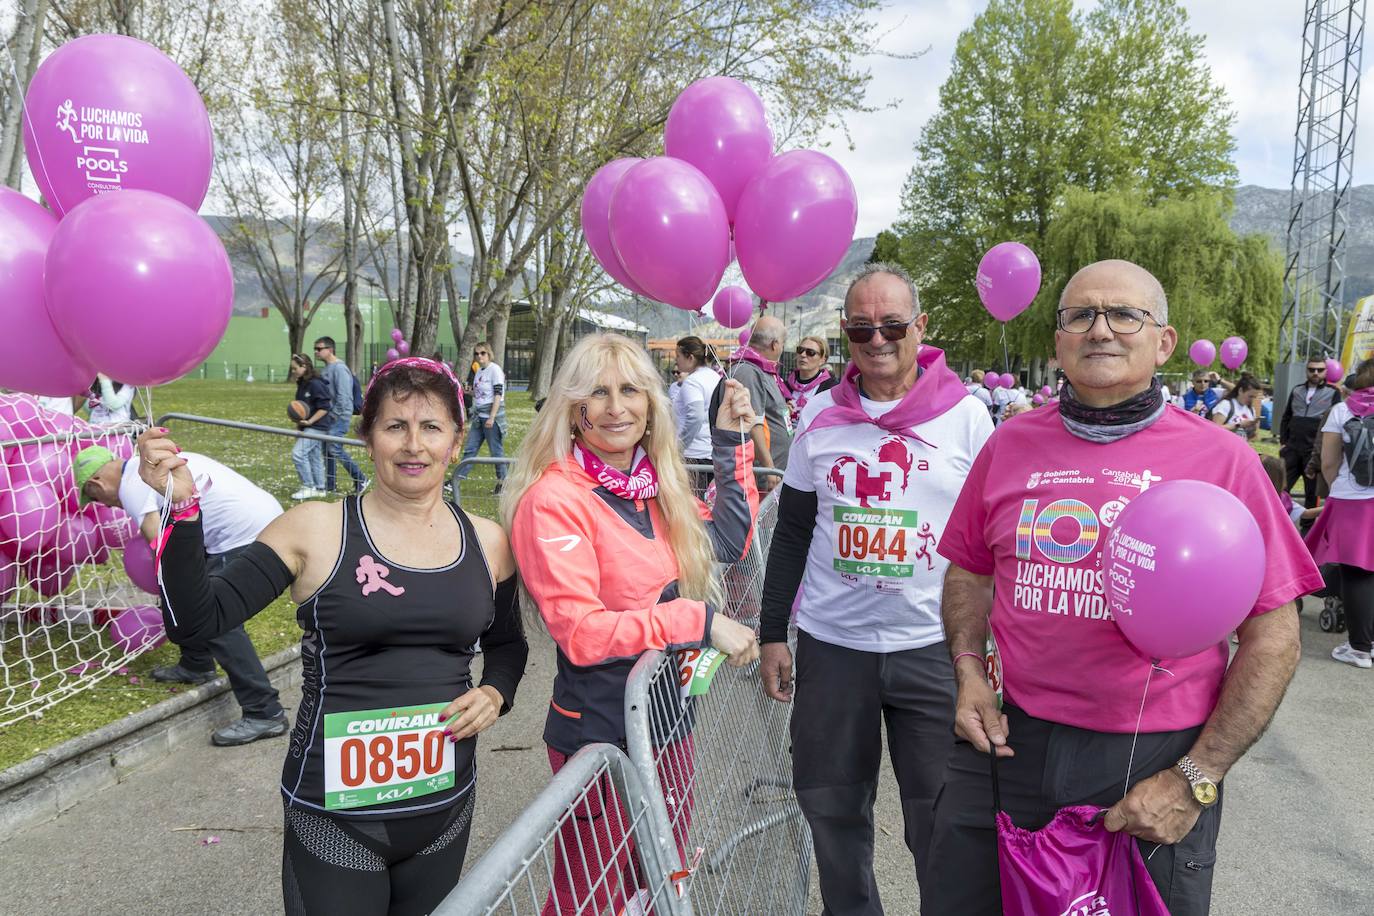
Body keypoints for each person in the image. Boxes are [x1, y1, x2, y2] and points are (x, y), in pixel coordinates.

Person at [923, 260, 1323, 915]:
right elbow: (968, 568)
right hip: (1007, 745)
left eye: (1124, 315)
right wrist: (968, 670)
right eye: (1080, 315)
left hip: (1152, 757)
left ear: (1163, 342)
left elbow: (1275, 635)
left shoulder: (1224, 462)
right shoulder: (1008, 444)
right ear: (1057, 341)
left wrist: (1196, 779)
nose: (1099, 329)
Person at [139, 357, 527, 915]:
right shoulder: (315, 529)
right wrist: (180, 509)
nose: (413, 444)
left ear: (457, 441)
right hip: (335, 816)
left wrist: (495, 692)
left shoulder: (489, 541)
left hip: (445, 806)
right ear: (367, 438)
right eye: (395, 426)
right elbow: (195, 623)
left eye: (431, 427)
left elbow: (508, 647)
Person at [758, 262, 995, 914]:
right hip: (835, 648)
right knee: (832, 813)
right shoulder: (820, 417)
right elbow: (793, 535)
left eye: (893, 324)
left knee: (944, 823)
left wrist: (989, 650)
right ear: (845, 333)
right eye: (862, 327)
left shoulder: (969, 419)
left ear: (921, 326)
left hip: (932, 649)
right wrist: (772, 634)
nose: (878, 338)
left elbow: (994, 545)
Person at [503, 333, 760, 914]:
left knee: (657, 879)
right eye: (598, 392)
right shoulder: (553, 498)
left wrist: (730, 441)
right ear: (574, 409)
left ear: (651, 405)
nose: (616, 407)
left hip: (669, 724)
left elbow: (728, 540)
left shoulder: (655, 486)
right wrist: (696, 618)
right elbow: (582, 632)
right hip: (600, 734)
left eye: (630, 390)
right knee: (590, 895)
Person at [74, 444, 291, 747]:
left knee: (217, 619)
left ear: (97, 484)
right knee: (183, 589)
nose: (107, 507)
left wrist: (174, 581)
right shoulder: (144, 469)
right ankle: (196, 663)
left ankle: (265, 712)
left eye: (97, 499)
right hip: (263, 520)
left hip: (247, 534)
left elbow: (160, 546)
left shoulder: (134, 485)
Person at [1306, 357, 1374, 669]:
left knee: (1356, 572)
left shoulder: (1342, 410)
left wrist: (1340, 486)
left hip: (1352, 501)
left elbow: (1329, 462)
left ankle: (1359, 648)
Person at [718, 315, 791, 480]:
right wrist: (769, 469)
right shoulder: (748, 371)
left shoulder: (760, 369)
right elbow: (752, 423)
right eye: (782, 344)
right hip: (761, 477)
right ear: (775, 344)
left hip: (770, 473)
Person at [1281, 355, 1340, 508]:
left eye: (1319, 370)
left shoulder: (1333, 392)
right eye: (1311, 369)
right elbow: (1286, 417)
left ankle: (1307, 529)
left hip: (1313, 452)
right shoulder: (1297, 390)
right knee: (1281, 488)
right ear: (1306, 371)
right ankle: (1278, 520)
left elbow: (1335, 421)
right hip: (1292, 449)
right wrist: (1283, 442)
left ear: (1326, 371)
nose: (1315, 373)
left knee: (1311, 494)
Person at [314, 336, 367, 494]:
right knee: (327, 450)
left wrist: (333, 416)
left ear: (330, 350)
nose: (316, 352)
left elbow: (344, 397)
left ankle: (360, 477)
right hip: (329, 417)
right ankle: (330, 486)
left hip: (339, 417)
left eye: (319, 349)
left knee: (334, 448)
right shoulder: (326, 369)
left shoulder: (340, 369)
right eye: (315, 349)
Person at [455, 342, 507, 494]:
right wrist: (468, 392)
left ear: (489, 353)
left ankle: (504, 484)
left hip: (491, 418)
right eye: (476, 353)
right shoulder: (479, 371)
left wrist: (492, 417)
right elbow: (481, 394)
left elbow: (498, 394)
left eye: (482, 353)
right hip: (479, 417)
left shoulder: (494, 370)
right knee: (470, 449)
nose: (479, 356)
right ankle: (456, 480)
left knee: (496, 452)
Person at [673, 335, 722, 490]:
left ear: (690, 357)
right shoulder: (714, 377)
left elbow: (695, 416)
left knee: (692, 504)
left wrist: (679, 446)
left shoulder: (693, 382)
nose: (676, 361)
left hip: (693, 454)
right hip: (710, 451)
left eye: (678, 356)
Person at [288, 353, 332, 500]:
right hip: (309, 426)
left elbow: (325, 407)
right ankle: (320, 488)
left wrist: (310, 421)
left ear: (304, 367)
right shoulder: (302, 383)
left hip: (318, 426)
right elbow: (302, 408)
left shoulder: (315, 384)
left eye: (295, 369)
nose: (293, 372)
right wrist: (300, 425)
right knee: (314, 456)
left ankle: (308, 486)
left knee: (298, 454)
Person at [783, 334, 837, 426]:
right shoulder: (784, 386)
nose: (803, 355)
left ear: (822, 360)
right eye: (800, 350)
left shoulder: (831, 388)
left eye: (810, 352)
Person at [1210, 373, 1263, 439]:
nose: (1252, 400)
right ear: (1240, 391)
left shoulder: (1251, 410)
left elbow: (1249, 436)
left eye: (1254, 397)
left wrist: (1252, 429)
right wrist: (1238, 425)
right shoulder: (1226, 405)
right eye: (1250, 396)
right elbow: (1214, 429)